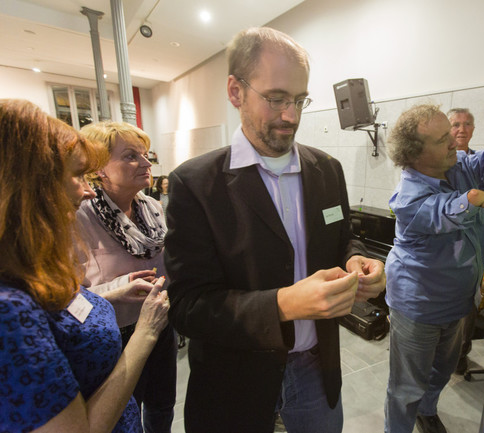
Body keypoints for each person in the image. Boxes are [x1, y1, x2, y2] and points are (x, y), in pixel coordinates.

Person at [164, 27, 386, 433]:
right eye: (277, 99)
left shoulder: (326, 171)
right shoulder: (194, 184)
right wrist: (284, 305)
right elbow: (188, 308)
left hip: (316, 373)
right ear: (236, 91)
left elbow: (340, 238)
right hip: (235, 384)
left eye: (299, 99)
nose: (292, 116)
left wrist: (355, 258)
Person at [0, 99, 170, 432]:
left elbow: (61, 307)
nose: (87, 191)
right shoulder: (10, 309)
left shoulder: (24, 269)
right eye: (77, 175)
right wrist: (146, 331)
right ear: (32, 187)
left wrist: (117, 294)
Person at [384, 104, 484, 433]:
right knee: (406, 386)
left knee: (442, 369)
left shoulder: (455, 166)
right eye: (443, 139)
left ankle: (427, 410)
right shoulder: (407, 196)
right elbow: (442, 211)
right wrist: (473, 198)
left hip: (457, 300)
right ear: (415, 154)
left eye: (451, 133)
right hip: (418, 306)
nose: (455, 141)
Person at [76, 121, 177, 433]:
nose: (146, 164)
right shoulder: (79, 216)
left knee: (162, 404)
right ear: (98, 168)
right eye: (131, 156)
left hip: (160, 323)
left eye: (145, 155)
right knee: (124, 413)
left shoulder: (151, 207)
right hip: (112, 336)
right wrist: (120, 289)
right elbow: (67, 298)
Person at [447, 108, 484, 375]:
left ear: (474, 129)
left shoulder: (481, 163)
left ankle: (460, 355)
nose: (461, 129)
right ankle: (438, 356)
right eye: (456, 124)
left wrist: (477, 201)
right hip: (444, 243)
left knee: (468, 299)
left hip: (471, 242)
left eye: (467, 124)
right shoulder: (437, 162)